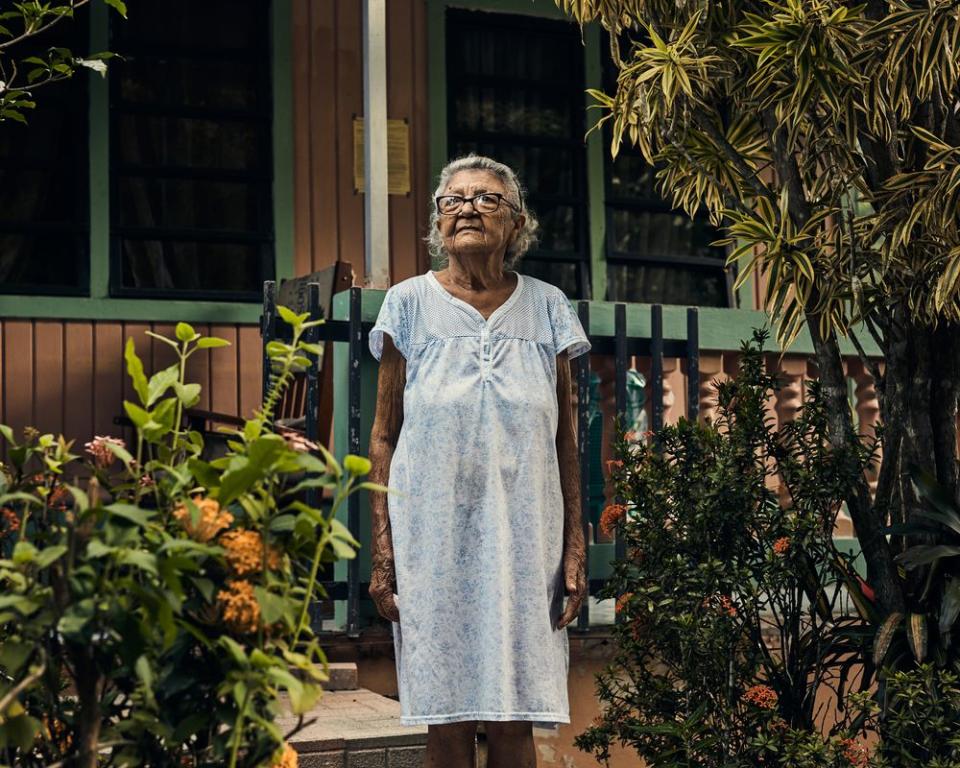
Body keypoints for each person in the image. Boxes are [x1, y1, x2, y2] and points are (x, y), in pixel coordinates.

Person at [366, 154, 590, 768]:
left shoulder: (547, 306)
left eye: (487, 199)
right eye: (454, 199)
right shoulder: (408, 303)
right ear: (438, 223)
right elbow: (383, 436)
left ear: (517, 225)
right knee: (446, 718)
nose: (467, 207)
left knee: (515, 717)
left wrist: (575, 547)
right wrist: (383, 553)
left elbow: (567, 438)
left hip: (525, 540)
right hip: (432, 540)